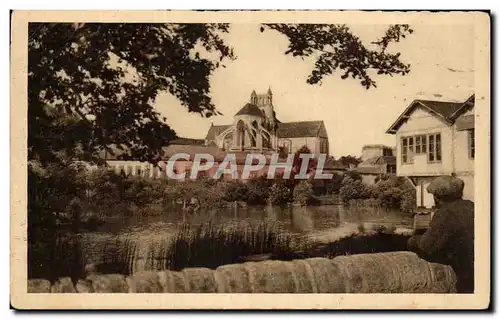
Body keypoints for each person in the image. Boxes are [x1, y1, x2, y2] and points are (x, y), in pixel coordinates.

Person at [407, 175, 474, 293]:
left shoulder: (445, 213)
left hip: (464, 273)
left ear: (436, 198)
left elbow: (426, 246)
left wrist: (412, 240)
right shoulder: (471, 206)